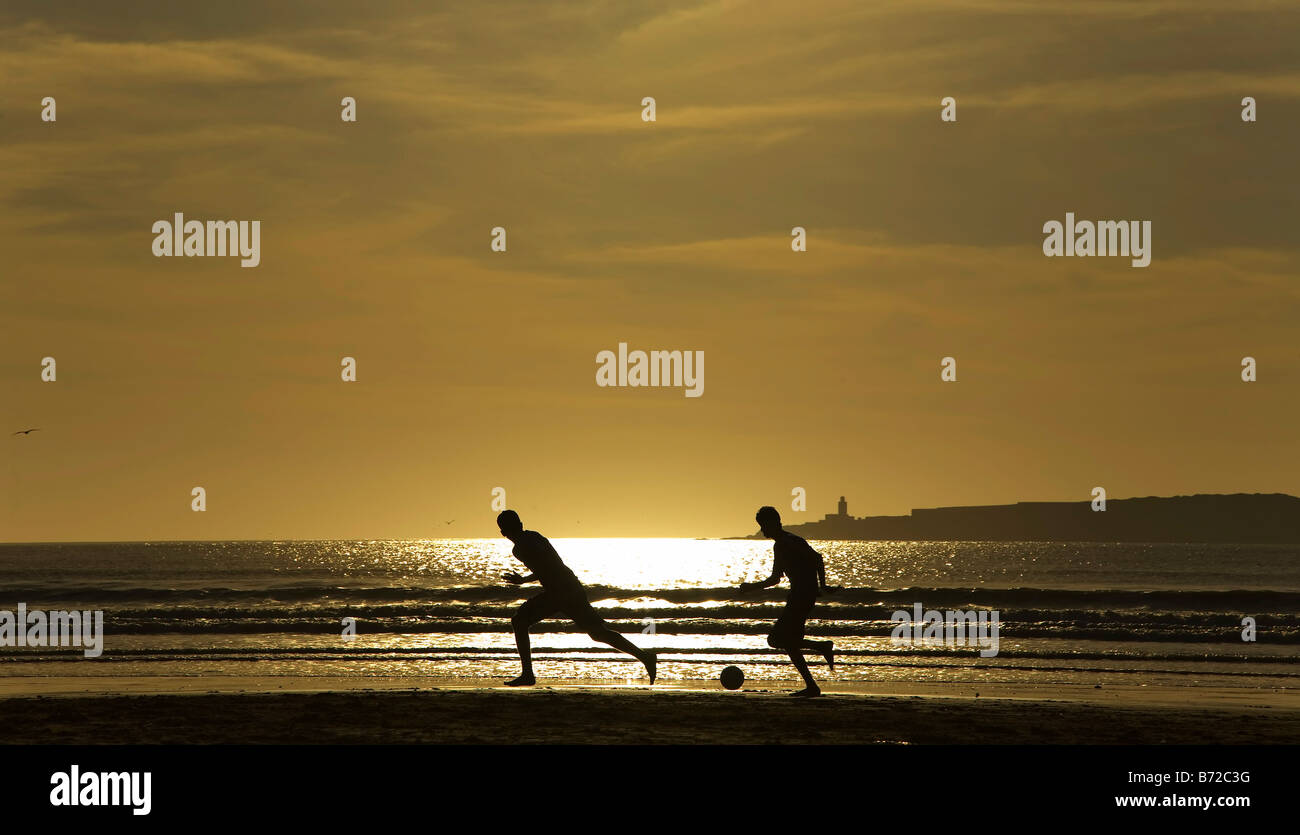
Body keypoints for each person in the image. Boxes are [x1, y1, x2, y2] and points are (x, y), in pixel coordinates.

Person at [496, 509, 656, 686]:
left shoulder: (521, 548)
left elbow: (546, 568)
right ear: (519, 525)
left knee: (520, 621)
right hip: (568, 588)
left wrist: (523, 580)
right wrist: (526, 580)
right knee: (597, 633)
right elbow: (551, 565)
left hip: (560, 592)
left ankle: (527, 674)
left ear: (504, 532)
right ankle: (645, 656)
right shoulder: (535, 536)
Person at [741, 505, 841, 696]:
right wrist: (751, 587)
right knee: (790, 642)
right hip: (801, 597)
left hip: (802, 597)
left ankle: (822, 646)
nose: (762, 530)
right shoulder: (782, 544)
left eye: (764, 526)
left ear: (773, 523)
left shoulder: (787, 542)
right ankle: (812, 686)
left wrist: (823, 585)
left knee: (776, 639)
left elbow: (817, 558)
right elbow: (775, 579)